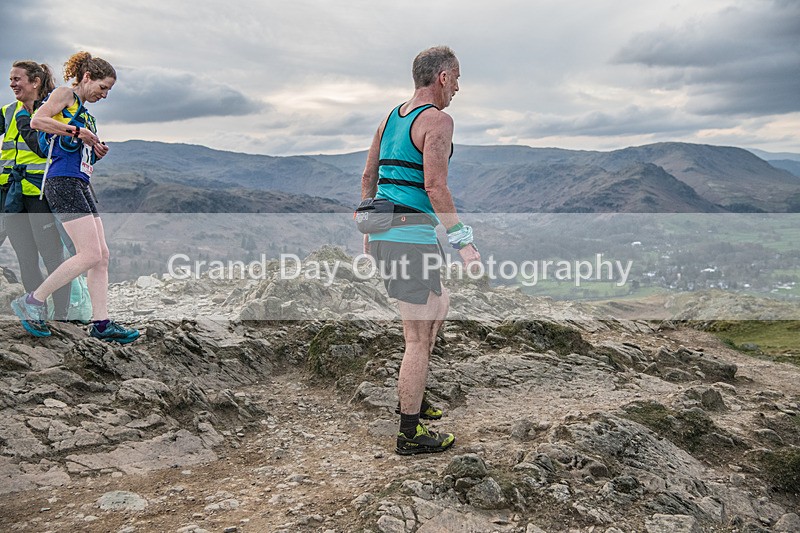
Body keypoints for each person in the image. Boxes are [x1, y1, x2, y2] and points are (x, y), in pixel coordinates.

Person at [360, 46, 481, 455]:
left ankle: (414, 392)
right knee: (416, 336)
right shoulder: (438, 121)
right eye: (458, 78)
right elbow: (436, 187)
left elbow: (368, 175)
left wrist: (369, 226)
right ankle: (409, 433)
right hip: (409, 239)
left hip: (395, 236)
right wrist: (464, 242)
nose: (459, 88)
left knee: (439, 305)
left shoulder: (390, 118)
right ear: (443, 77)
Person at [10, 51, 139, 343]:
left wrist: (96, 152)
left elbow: (74, 147)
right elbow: (38, 121)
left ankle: (101, 323)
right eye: (103, 87)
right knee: (90, 254)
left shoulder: (86, 112)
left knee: (101, 256)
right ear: (87, 77)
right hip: (62, 182)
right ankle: (33, 301)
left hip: (79, 182)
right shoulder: (65, 94)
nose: (104, 95)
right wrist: (77, 130)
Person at [1, 61, 70, 321]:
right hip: (12, 194)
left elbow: (49, 149)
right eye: (10, 79)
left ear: (35, 81)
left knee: (53, 258)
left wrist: (25, 121)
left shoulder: (51, 110)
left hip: (42, 196)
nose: (12, 84)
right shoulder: (8, 111)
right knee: (26, 259)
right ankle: (35, 314)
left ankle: (62, 318)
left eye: (17, 78)